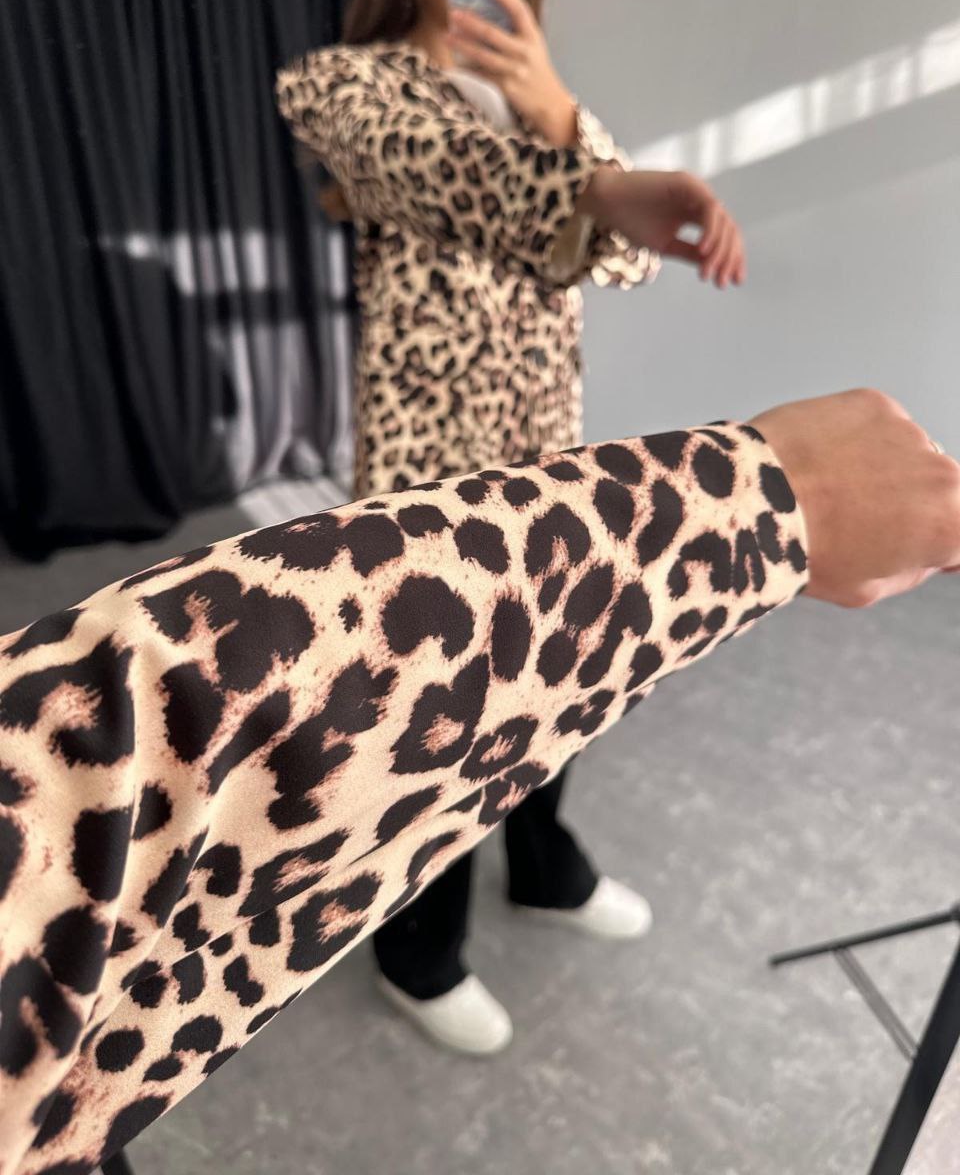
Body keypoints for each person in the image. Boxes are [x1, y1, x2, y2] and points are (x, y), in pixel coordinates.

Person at [1, 389, 958, 1171]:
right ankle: (421, 953)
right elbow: (110, 747)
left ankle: (543, 865)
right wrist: (750, 507)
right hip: (435, 429)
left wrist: (610, 222)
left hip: (534, 417)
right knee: (421, 740)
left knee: (553, 706)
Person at [275, 0, 749, 1054]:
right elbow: (459, 182)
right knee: (441, 713)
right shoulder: (343, 86)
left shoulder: (544, 93)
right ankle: (415, 947)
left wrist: (561, 115)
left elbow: (630, 262)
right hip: (428, 469)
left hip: (545, 446)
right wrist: (587, 170)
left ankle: (545, 865)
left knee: (561, 670)